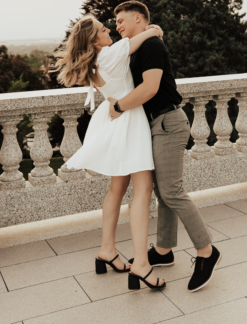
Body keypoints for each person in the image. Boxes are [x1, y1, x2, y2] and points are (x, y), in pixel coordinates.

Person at [108, 0, 222, 292]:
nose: (117, 25)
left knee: (172, 190)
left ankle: (207, 252)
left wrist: (119, 107)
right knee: (163, 191)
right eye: (115, 21)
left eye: (121, 20)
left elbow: (151, 88)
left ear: (138, 18)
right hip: (156, 125)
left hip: (168, 122)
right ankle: (163, 250)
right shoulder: (141, 46)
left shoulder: (151, 47)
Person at [54, 15, 166, 290]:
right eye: (104, 30)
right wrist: (155, 28)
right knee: (143, 189)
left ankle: (107, 249)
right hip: (129, 120)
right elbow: (149, 34)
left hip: (113, 118)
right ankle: (141, 264)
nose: (110, 31)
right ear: (95, 40)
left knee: (117, 188)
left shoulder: (93, 63)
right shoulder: (112, 53)